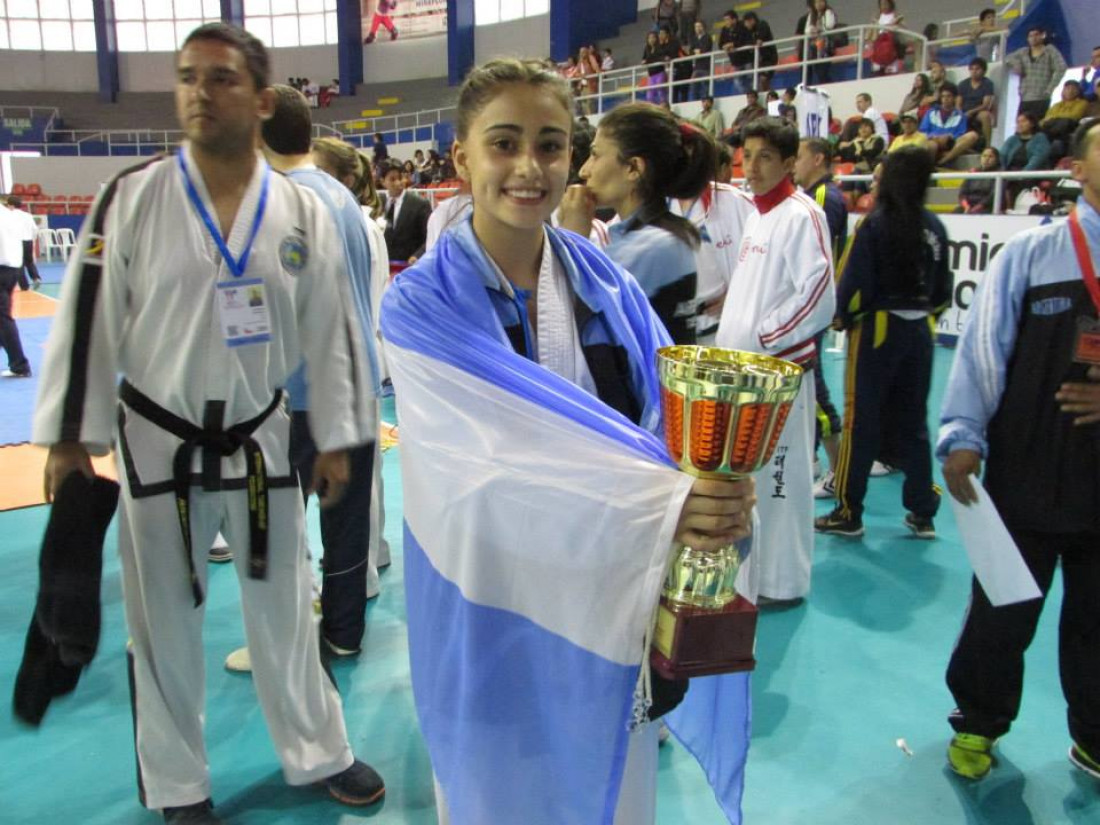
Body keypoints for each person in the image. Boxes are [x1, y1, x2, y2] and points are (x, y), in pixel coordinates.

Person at [381, 56, 756, 825]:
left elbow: (664, 422)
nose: (529, 167)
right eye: (504, 143)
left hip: (610, 604)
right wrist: (662, 503)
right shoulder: (419, 308)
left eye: (551, 145)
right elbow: (486, 478)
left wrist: (709, 489)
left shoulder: (604, 279)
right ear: (461, 157)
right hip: (490, 605)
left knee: (615, 800)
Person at [31, 23, 384, 824]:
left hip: (260, 436)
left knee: (286, 608)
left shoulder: (298, 208)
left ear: (261, 99)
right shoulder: (134, 194)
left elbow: (331, 327)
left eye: (220, 79)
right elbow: (88, 318)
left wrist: (335, 432)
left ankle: (318, 749)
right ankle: (178, 783)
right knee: (161, 623)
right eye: (187, 77)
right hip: (158, 441)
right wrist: (66, 438)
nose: (199, 91)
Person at [937, 117, 1100, 784]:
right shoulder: (1031, 256)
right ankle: (979, 720)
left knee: (1097, 622)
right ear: (1080, 169)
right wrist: (962, 436)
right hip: (1027, 470)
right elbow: (983, 351)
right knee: (1003, 609)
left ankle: (1093, 734)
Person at [256, 83, 381, 659]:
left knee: (277, 524)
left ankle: (285, 641)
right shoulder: (339, 195)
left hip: (303, 393)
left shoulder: (281, 201)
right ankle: (343, 632)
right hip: (353, 384)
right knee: (346, 521)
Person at [716, 116, 836, 602]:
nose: (753, 167)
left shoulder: (801, 215)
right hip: (746, 377)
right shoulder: (757, 215)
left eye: (766, 157)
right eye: (748, 155)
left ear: (789, 163)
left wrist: (765, 338)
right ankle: (754, 578)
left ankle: (784, 584)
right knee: (753, 482)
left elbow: (819, 294)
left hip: (779, 377)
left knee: (782, 484)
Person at [815, 147, 951, 538]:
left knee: (861, 422)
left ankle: (848, 510)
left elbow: (853, 286)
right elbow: (943, 291)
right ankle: (923, 511)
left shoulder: (875, 224)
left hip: (877, 331)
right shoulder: (936, 228)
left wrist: (844, 317)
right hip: (921, 332)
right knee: (913, 423)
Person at [312, 135, 394, 591]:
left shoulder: (351, 223)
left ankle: (358, 573)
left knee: (357, 480)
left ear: (343, 179)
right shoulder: (361, 221)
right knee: (370, 474)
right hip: (365, 347)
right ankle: (373, 554)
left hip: (355, 347)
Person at [561, 103, 715, 345]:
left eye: (596, 155)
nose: (584, 170)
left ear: (633, 168)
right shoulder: (652, 236)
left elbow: (566, 320)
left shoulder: (653, 246)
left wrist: (571, 235)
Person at [793, 136, 847, 497]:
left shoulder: (824, 199)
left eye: (798, 157)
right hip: (810, 309)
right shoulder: (816, 197)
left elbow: (819, 259)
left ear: (818, 159)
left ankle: (840, 474)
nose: (794, 164)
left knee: (816, 393)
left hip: (812, 312)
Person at [1005, 27, 1068, 121]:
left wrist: (1050, 88)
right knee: (1021, 125)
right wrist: (1017, 66)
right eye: (1031, 36)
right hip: (1025, 97)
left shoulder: (1050, 50)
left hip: (1042, 96)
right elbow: (1008, 58)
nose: (1033, 38)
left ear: (1042, 36)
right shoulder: (1023, 52)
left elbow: (1061, 67)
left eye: (1036, 35)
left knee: (1037, 125)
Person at [0, 203, 31, 377]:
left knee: (3, 319)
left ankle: (19, 364)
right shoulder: (8, 214)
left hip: (1, 268)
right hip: (11, 269)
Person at [380, 157, 430, 263]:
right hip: (384, 266)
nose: (398, 183)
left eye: (400, 178)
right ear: (382, 181)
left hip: (410, 267)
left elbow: (430, 237)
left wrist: (417, 256)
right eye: (392, 179)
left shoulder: (420, 204)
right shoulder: (378, 204)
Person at [920, 83, 976, 167]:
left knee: (972, 135)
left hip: (951, 143)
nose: (945, 99)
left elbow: (960, 134)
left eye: (948, 96)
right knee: (932, 145)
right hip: (934, 141)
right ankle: (930, 169)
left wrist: (949, 137)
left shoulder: (960, 115)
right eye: (943, 96)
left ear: (954, 98)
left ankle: (943, 161)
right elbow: (923, 131)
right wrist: (936, 137)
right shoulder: (931, 112)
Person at [1042, 80, 1089, 161]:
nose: (1070, 91)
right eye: (1067, 88)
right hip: (1053, 128)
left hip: (1070, 127)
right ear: (1063, 91)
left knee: (1064, 121)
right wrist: (1052, 119)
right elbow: (1044, 120)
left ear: (1078, 91)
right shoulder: (1056, 105)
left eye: (1074, 89)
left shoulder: (1082, 103)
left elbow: (1074, 116)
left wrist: (1054, 118)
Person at [5, 195, 41, 290]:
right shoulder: (27, 215)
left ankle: (24, 286)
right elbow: (34, 229)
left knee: (19, 263)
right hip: (28, 241)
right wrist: (32, 240)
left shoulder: (8, 215)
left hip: (16, 242)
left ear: (11, 205)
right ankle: (36, 277)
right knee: (29, 262)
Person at [958, 57, 995, 148]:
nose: (974, 71)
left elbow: (986, 104)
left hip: (978, 111)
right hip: (963, 111)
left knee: (985, 115)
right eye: (972, 69)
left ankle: (987, 146)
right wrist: (961, 113)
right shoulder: (963, 84)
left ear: (984, 71)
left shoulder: (987, 83)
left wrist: (971, 112)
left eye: (977, 69)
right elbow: (958, 103)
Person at [957, 146, 1001, 213]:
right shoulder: (973, 172)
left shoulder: (999, 175)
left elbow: (991, 197)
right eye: (984, 156)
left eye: (990, 156)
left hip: (986, 207)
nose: (986, 159)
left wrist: (977, 208)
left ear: (996, 159)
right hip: (968, 206)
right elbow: (962, 193)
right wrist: (966, 206)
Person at [740, 12, 777, 91]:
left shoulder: (762, 24)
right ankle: (768, 94)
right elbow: (746, 41)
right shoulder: (748, 31)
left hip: (769, 58)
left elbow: (759, 40)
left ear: (752, 20)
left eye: (746, 23)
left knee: (764, 79)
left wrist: (757, 41)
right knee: (759, 82)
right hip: (758, 60)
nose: (745, 25)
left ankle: (770, 95)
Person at [805, 0, 838, 85]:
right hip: (814, 46)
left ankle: (829, 85)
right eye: (817, 2)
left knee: (823, 71)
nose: (819, 4)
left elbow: (829, 25)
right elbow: (806, 30)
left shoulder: (828, 12)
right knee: (817, 70)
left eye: (821, 1)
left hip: (825, 45)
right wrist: (812, 30)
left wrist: (820, 29)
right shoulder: (812, 15)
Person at [688, 19, 715, 101]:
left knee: (705, 86)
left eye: (699, 26)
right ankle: (695, 101)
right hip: (697, 66)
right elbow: (691, 51)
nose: (697, 28)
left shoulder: (707, 37)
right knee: (694, 86)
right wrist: (696, 52)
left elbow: (706, 49)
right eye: (696, 26)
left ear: (703, 27)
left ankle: (705, 101)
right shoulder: (694, 39)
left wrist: (699, 51)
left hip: (706, 66)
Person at [642, 30, 667, 105]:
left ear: (656, 39)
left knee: (660, 90)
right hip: (651, 74)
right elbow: (644, 59)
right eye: (649, 38)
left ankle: (664, 105)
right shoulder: (646, 48)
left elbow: (661, 57)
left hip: (659, 73)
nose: (651, 39)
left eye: (653, 37)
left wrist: (649, 60)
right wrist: (644, 61)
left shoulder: (660, 47)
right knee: (650, 95)